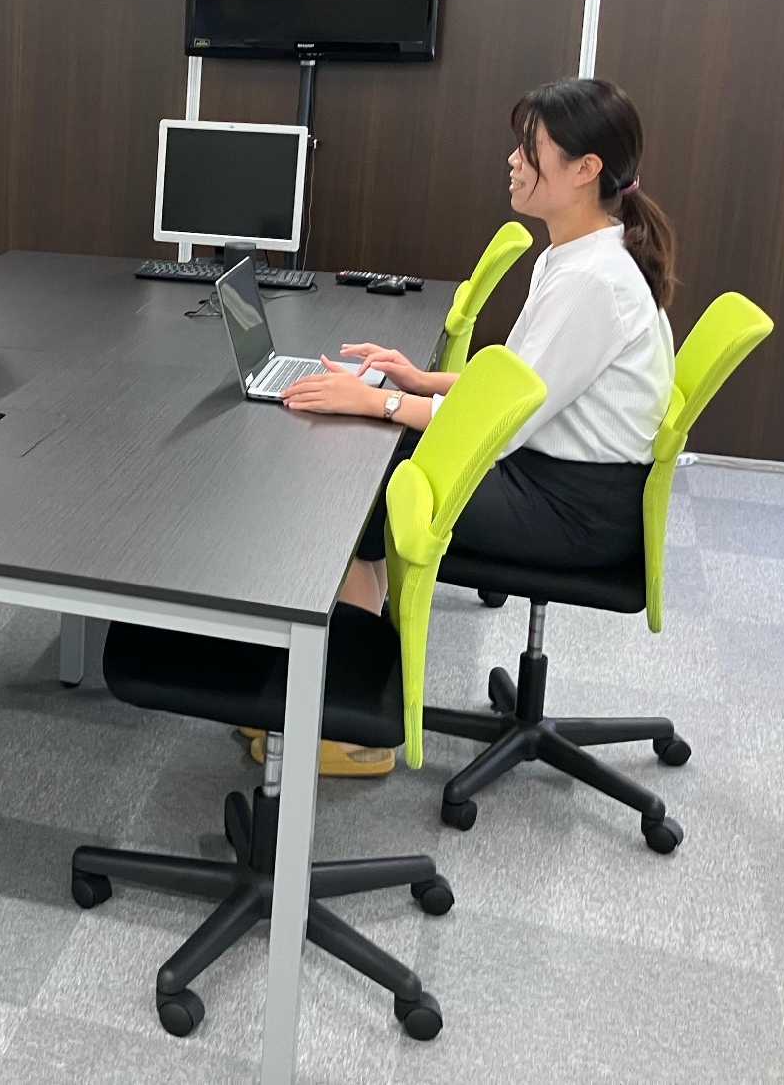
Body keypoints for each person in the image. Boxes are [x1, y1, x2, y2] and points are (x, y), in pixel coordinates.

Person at [279, 76, 677, 776]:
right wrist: (420, 380)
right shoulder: (573, 255)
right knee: (376, 461)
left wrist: (378, 404)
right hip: (558, 477)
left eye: (530, 149)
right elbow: (516, 381)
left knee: (365, 488)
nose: (513, 161)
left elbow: (500, 425)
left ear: (584, 170)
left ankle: (354, 725)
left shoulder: (593, 280)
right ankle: (345, 688)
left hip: (576, 510)